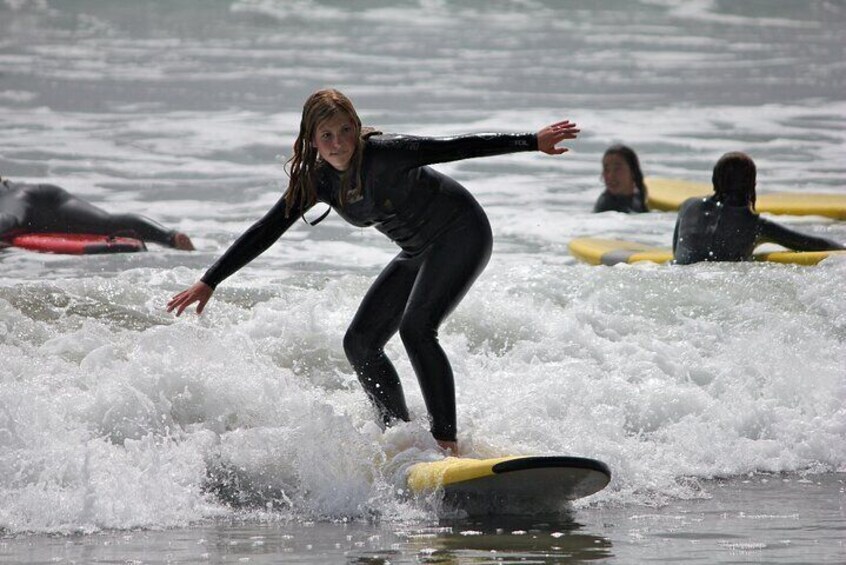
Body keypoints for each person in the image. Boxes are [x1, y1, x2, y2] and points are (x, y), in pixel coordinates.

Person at [167, 88, 579, 454]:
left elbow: (455, 146)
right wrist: (210, 280)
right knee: (360, 343)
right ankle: (400, 438)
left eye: (345, 131)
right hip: (419, 249)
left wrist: (530, 141)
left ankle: (446, 443)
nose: (338, 143)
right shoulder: (318, 182)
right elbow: (267, 229)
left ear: (356, 127)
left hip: (462, 234)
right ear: (312, 141)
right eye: (326, 136)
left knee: (417, 329)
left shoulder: (385, 154)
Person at [673, 151, 844, 264]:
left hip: (677, 278)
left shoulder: (689, 206)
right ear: (752, 186)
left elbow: (676, 253)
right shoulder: (755, 225)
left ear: (714, 181)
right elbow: (815, 244)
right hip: (716, 283)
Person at [0, 177, 194, 250]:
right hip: (46, 192)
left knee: (10, 220)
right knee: (107, 222)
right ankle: (170, 237)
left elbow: (10, 218)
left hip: (19, 199)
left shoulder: (10, 201)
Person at [593, 144, 648, 213]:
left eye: (617, 169)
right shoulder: (607, 206)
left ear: (633, 172)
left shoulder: (640, 195)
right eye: (606, 169)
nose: (610, 176)